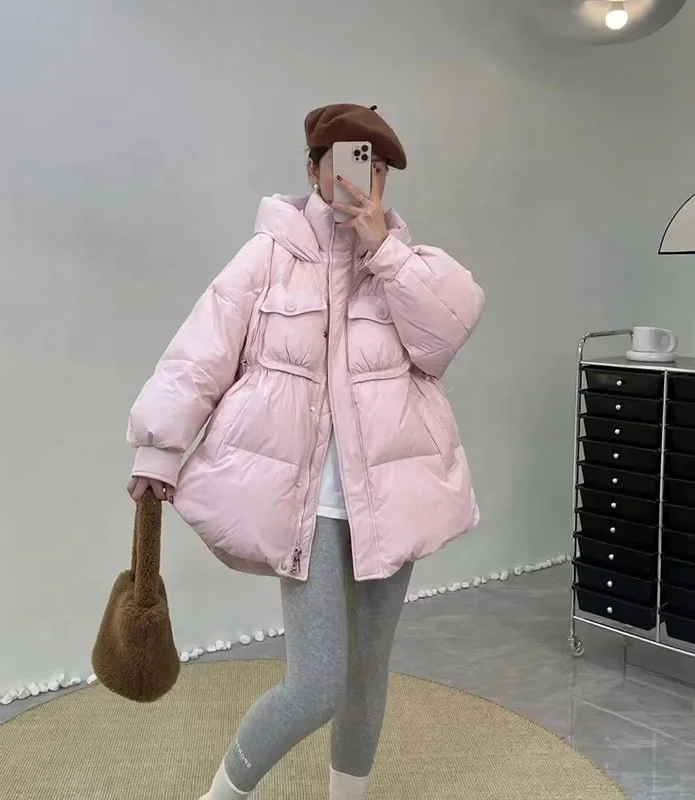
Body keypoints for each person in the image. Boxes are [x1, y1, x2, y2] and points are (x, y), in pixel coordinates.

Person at [126, 103, 485, 800]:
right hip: (306, 503)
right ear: (314, 169)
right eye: (345, 161)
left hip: (389, 499)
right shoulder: (270, 255)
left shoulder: (406, 264)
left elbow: (444, 338)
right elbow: (201, 351)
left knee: (367, 675)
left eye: (373, 167)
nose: (359, 178)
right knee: (317, 683)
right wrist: (159, 448)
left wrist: (383, 251)